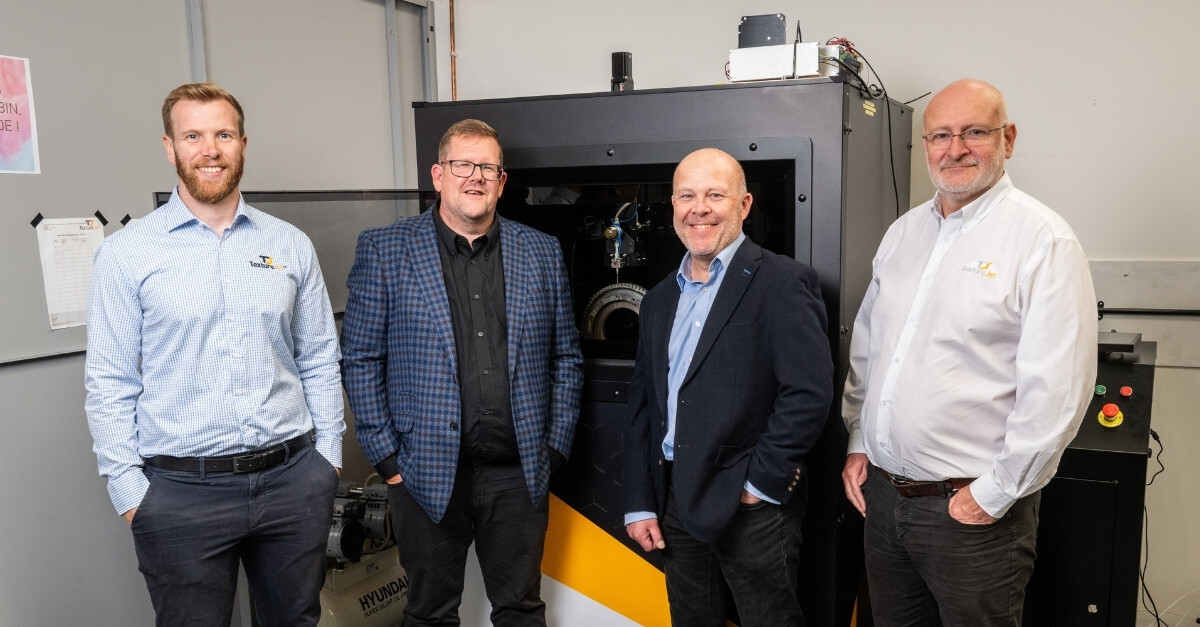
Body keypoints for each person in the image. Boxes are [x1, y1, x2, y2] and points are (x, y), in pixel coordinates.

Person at [84, 83, 344, 626]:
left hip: (294, 482)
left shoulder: (290, 244)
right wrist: (130, 492)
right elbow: (109, 380)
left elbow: (319, 355)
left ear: (243, 144)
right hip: (180, 494)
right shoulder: (126, 253)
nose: (210, 150)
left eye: (223, 135)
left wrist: (327, 461)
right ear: (169, 147)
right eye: (193, 136)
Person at [841, 78, 1098, 625]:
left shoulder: (1042, 240)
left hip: (971, 514)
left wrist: (995, 493)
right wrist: (859, 439)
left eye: (974, 132)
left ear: (1008, 138)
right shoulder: (902, 234)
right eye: (940, 135)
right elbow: (870, 348)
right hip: (883, 501)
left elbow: (1056, 392)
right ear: (926, 144)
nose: (954, 149)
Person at [341, 118, 584, 626]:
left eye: (487, 168)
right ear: (438, 175)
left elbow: (565, 357)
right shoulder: (384, 249)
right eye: (462, 165)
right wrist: (387, 457)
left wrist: (554, 447)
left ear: (502, 181)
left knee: (521, 610)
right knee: (430, 614)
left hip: (518, 473)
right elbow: (360, 358)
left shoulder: (541, 251)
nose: (475, 176)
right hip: (423, 471)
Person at [622, 147, 835, 626]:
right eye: (687, 196)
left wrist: (759, 484)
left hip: (749, 506)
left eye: (715, 195)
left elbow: (808, 393)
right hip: (674, 501)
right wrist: (640, 501)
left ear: (744, 205)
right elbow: (644, 405)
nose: (699, 209)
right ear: (673, 206)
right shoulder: (659, 299)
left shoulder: (783, 283)